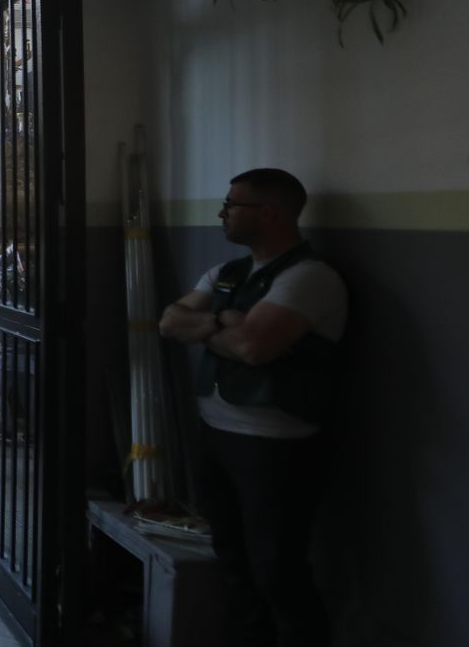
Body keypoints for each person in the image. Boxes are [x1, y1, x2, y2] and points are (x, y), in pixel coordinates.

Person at [158, 168, 343, 646]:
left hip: (276, 446)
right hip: (218, 434)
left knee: (277, 571)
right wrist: (226, 320)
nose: (222, 212)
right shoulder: (230, 274)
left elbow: (255, 348)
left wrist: (215, 326)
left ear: (268, 213)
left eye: (232, 204)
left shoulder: (310, 277)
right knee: (234, 561)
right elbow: (171, 321)